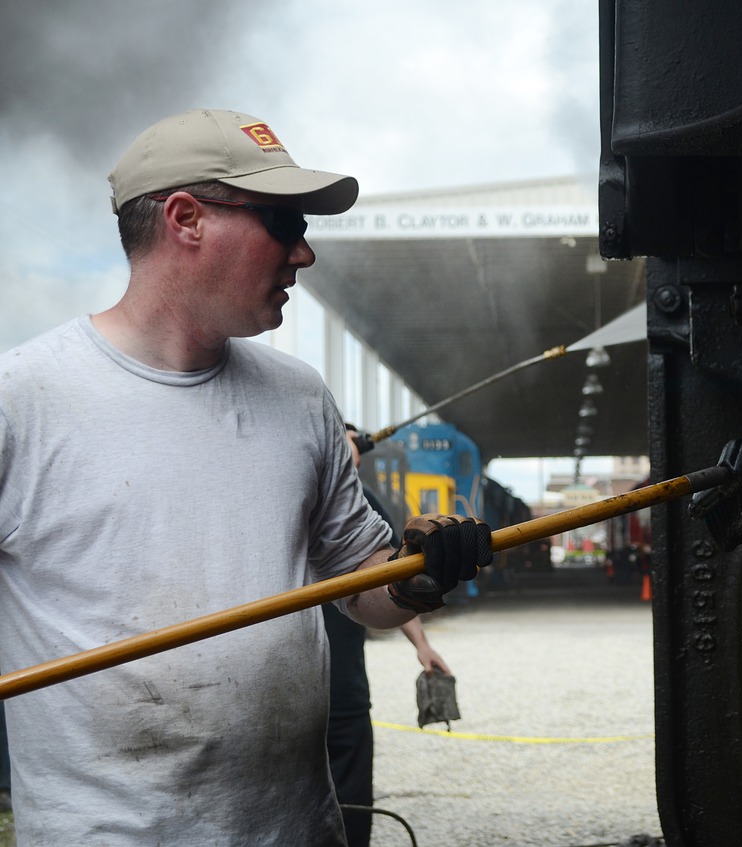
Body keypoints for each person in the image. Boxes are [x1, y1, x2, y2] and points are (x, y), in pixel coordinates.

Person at [0, 108, 490, 845]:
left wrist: (417, 575)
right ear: (187, 218)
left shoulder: (300, 398)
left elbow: (361, 586)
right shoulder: (21, 401)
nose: (304, 254)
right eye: (285, 222)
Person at [326, 427, 452, 847]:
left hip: (344, 692)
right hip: (280, 695)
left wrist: (422, 645)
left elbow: (386, 575)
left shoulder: (357, 504)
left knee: (353, 807)